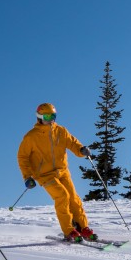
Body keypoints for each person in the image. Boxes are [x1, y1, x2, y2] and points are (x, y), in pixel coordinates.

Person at [17, 102, 98, 242]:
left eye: (53, 116)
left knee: (74, 198)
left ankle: (83, 227)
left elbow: (72, 143)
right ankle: (69, 230)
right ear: (40, 117)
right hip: (44, 175)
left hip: (62, 171)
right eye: (47, 116)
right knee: (62, 196)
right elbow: (22, 157)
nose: (51, 120)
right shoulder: (31, 136)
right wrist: (27, 177)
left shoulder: (61, 131)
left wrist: (81, 150)